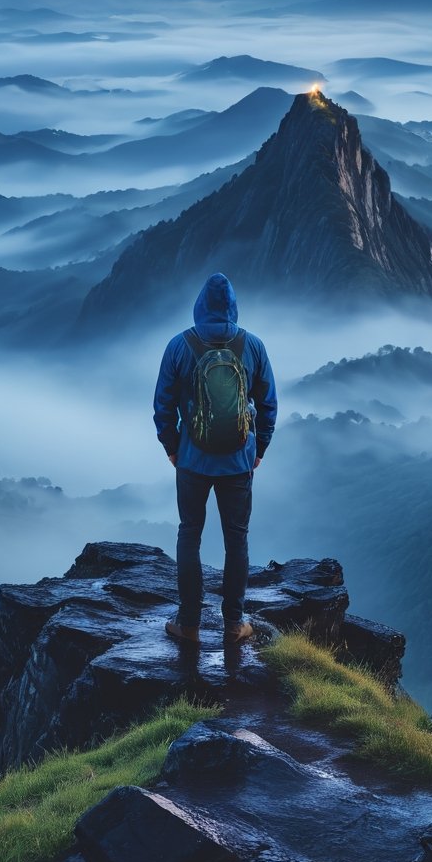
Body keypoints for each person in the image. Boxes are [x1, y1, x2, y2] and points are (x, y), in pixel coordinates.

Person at [153, 272, 277, 644]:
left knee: (190, 535)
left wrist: (173, 447)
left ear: (199, 306)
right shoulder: (252, 346)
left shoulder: (179, 345)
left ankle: (188, 624)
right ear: (234, 307)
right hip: (239, 463)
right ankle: (234, 624)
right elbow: (268, 404)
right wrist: (259, 448)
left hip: (192, 461)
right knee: (236, 539)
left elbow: (163, 405)